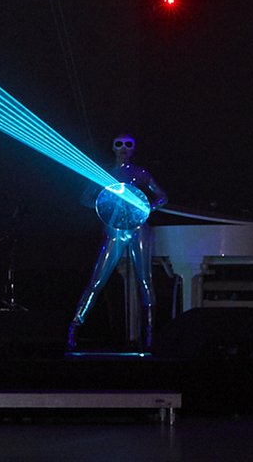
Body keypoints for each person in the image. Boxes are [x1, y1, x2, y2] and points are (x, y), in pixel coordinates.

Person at [67, 132, 168, 351]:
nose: (123, 148)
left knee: (145, 280)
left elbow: (162, 196)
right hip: (115, 229)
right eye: (119, 144)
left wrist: (145, 208)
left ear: (133, 148)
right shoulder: (104, 173)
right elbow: (85, 198)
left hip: (138, 228)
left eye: (128, 144)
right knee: (97, 280)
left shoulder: (139, 172)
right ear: (113, 147)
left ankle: (150, 335)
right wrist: (106, 205)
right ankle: (74, 328)